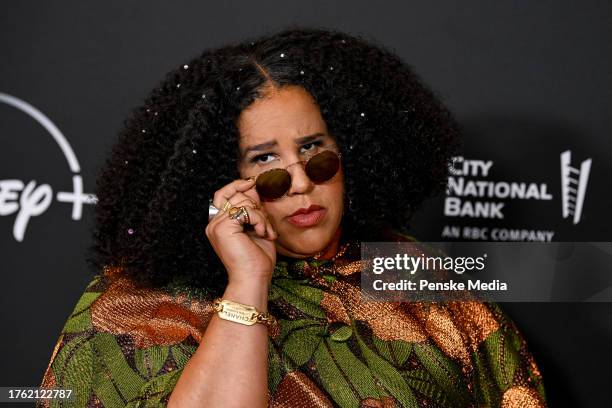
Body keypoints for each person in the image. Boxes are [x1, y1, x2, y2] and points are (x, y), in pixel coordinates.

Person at [38, 27, 547, 407]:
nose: (302, 182)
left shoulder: (418, 275)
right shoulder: (139, 306)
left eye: (316, 154)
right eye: (266, 163)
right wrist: (247, 281)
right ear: (222, 183)